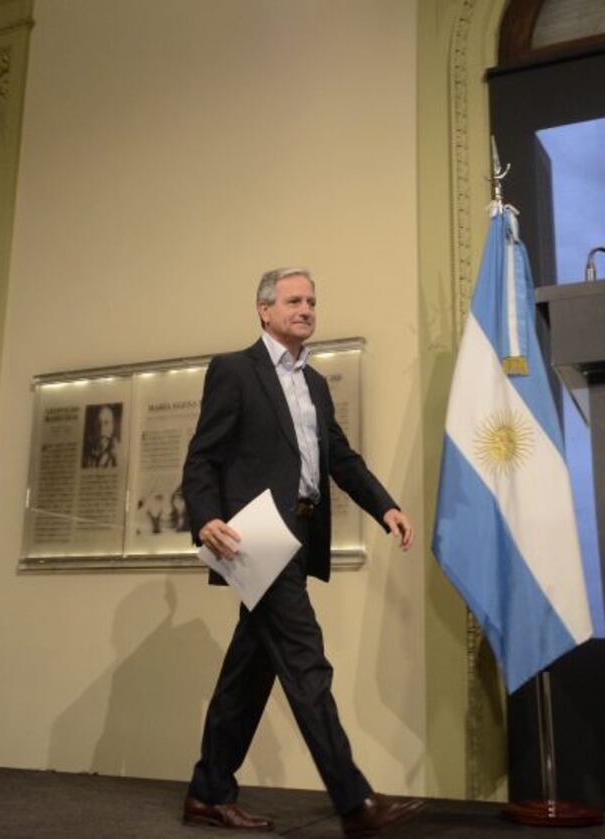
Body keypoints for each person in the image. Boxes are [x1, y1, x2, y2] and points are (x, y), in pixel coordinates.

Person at [180, 268, 423, 836]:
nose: (307, 308)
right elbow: (202, 457)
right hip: (256, 538)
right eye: (294, 300)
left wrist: (383, 505)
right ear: (263, 310)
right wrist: (205, 518)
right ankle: (355, 802)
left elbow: (339, 456)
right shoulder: (234, 371)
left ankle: (208, 791)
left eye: (312, 300)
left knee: (250, 670)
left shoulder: (314, 383)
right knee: (306, 662)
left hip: (302, 535)